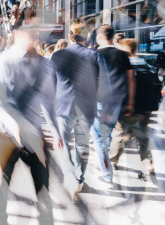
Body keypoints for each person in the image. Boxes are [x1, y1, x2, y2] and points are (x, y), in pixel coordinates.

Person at [0, 25, 61, 225]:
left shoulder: (45, 66)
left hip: (35, 136)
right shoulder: (2, 61)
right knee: (1, 184)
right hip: (6, 134)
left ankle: (46, 221)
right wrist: (12, 123)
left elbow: (50, 101)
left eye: (33, 36)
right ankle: (1, 219)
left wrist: (56, 129)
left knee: (42, 186)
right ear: (16, 36)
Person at [51, 22, 112, 199]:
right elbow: (105, 86)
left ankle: (69, 174)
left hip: (63, 107)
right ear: (86, 37)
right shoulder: (96, 56)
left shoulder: (57, 55)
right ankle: (79, 178)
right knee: (82, 145)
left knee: (62, 142)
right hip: (86, 108)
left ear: (70, 36)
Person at [90, 25, 135, 185]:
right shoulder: (122, 55)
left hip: (99, 101)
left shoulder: (93, 54)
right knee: (106, 135)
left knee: (98, 138)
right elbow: (131, 79)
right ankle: (103, 163)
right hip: (117, 101)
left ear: (100, 37)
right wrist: (130, 102)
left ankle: (107, 173)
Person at [110, 38, 156, 180]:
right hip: (145, 109)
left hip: (129, 107)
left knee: (119, 135)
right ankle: (146, 160)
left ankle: (112, 160)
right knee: (142, 137)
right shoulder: (146, 65)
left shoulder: (126, 67)